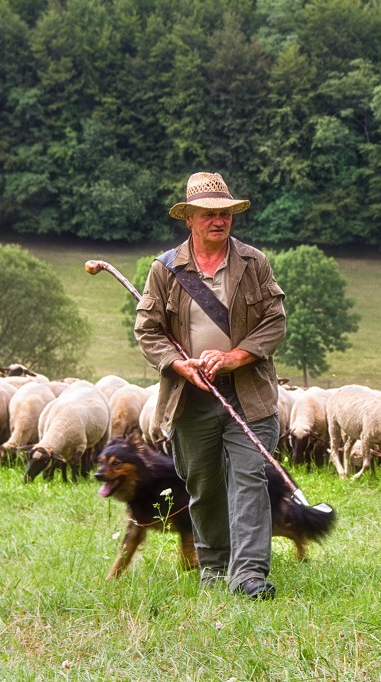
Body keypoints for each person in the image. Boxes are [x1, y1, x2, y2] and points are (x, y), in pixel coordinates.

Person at [135, 171, 286, 600]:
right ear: (190, 219)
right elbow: (148, 331)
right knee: (202, 483)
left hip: (248, 393)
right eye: (208, 214)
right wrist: (180, 365)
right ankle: (214, 566)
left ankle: (249, 575)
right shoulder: (165, 269)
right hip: (191, 397)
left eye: (225, 214)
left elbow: (275, 321)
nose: (218, 221)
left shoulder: (254, 263)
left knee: (249, 477)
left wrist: (236, 357)